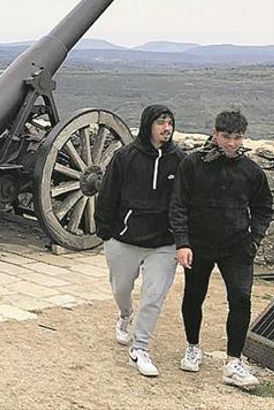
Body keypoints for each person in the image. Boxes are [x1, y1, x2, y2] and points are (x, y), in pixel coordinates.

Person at [171, 110, 274, 390]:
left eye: (237, 137)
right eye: (226, 137)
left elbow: (263, 208)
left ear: (244, 137)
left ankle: (233, 362)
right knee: (194, 296)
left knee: (241, 299)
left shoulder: (252, 171)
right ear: (215, 134)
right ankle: (193, 347)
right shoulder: (192, 164)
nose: (231, 143)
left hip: (237, 246)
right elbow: (178, 204)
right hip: (199, 244)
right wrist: (182, 242)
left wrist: (254, 240)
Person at [94, 105, 184, 377]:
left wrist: (182, 240)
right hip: (125, 238)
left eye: (169, 123)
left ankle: (140, 347)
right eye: (160, 123)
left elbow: (184, 201)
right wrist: (105, 232)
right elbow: (108, 193)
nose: (166, 128)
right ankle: (124, 315)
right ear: (148, 126)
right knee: (121, 289)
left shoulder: (179, 159)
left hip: (163, 242)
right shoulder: (125, 157)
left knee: (154, 296)